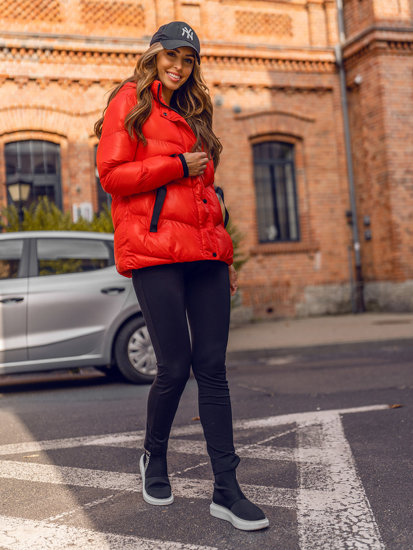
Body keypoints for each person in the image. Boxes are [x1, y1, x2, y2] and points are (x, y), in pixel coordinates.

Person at [95, 21, 269, 532]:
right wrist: (175, 165)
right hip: (153, 252)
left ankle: (227, 489)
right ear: (154, 55)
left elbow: (209, 197)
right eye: (171, 55)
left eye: (188, 59)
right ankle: (155, 456)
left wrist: (225, 255)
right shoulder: (129, 100)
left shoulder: (196, 110)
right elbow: (111, 176)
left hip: (205, 255)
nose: (179, 65)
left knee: (212, 367)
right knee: (174, 366)